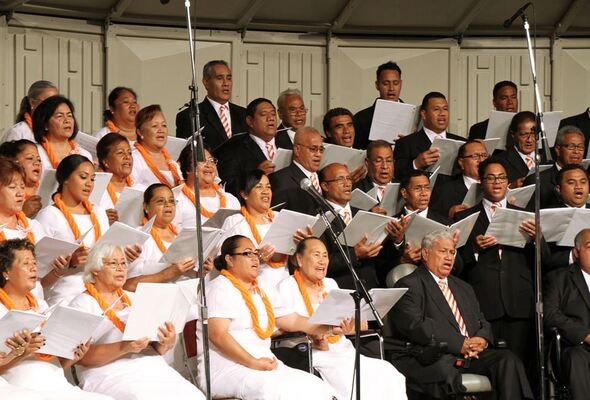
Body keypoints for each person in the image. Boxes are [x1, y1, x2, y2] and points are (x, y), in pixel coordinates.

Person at [390, 230, 533, 399]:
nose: (449, 257)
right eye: (443, 251)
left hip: (472, 355)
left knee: (507, 359)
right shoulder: (409, 285)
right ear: (425, 253)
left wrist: (482, 339)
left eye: (452, 252)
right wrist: (461, 344)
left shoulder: (463, 287)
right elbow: (417, 326)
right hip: (438, 355)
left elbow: (482, 320)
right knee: (443, 373)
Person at [200, 234, 337, 399]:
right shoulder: (218, 288)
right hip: (228, 367)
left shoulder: (258, 292)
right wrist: (253, 362)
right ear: (229, 259)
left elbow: (273, 326)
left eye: (256, 253)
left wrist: (325, 329)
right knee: (278, 392)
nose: (255, 259)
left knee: (317, 388)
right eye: (247, 253)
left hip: (265, 362)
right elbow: (217, 335)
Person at [274, 237, 408, 400]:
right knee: (349, 379)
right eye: (316, 255)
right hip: (313, 352)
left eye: (325, 256)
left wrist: (347, 327)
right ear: (299, 259)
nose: (322, 261)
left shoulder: (330, 284)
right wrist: (319, 332)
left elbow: (358, 324)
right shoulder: (287, 286)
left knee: (387, 371)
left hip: (343, 350)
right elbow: (284, 322)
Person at [69, 242, 205, 400]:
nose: (121, 268)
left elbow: (155, 347)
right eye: (113, 263)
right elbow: (81, 358)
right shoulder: (83, 303)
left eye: (123, 263)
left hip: (149, 365)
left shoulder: (134, 298)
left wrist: (166, 341)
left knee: (194, 395)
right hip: (107, 372)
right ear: (95, 270)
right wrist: (124, 347)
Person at [454, 158, 541, 368]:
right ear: (481, 182)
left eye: (502, 178)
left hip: (519, 300)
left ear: (508, 182)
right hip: (484, 301)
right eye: (491, 178)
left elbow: (542, 260)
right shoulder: (466, 216)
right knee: (491, 365)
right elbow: (454, 265)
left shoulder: (525, 214)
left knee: (523, 364)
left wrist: (536, 239)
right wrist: (474, 250)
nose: (497, 182)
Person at [0, 239, 112, 400]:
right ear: (6, 272)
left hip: (58, 384)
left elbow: (56, 363)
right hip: (23, 387)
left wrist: (73, 357)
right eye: (26, 263)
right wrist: (21, 354)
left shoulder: (42, 305)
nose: (34, 268)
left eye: (34, 262)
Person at [35, 155, 111, 305]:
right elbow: (38, 276)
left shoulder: (99, 212)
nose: (89, 184)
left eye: (92, 179)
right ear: (65, 179)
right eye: (83, 177)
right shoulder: (49, 216)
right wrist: (71, 263)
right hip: (64, 295)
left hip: (99, 292)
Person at [220, 170, 288, 292]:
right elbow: (224, 260)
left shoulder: (280, 218)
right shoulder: (234, 222)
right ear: (244, 194)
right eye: (259, 187)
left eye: (268, 187)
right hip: (254, 290)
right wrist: (257, 258)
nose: (266, 191)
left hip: (284, 288)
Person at [544, 228, 590, 400]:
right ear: (577, 252)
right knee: (576, 358)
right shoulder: (559, 278)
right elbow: (550, 314)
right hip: (576, 346)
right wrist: (585, 335)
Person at [125, 183, 196, 291]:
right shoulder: (138, 236)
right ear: (146, 207)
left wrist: (203, 270)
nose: (168, 205)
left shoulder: (183, 235)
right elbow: (129, 285)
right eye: (160, 201)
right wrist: (170, 273)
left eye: (172, 201)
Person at [216, 97, 292, 196]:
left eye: (273, 114)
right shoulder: (233, 149)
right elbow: (227, 187)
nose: (271, 118)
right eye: (264, 114)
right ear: (250, 121)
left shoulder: (288, 144)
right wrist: (256, 174)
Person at [0, 158, 47, 300]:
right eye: (13, 187)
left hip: (36, 302)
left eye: (22, 186)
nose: (20, 193)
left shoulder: (33, 226)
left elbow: (43, 277)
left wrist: (59, 268)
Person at [393, 91, 465, 182]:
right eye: (436, 109)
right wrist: (416, 164)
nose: (442, 113)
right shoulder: (406, 143)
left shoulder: (462, 142)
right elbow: (397, 176)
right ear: (423, 114)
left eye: (445, 109)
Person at [175, 60, 248, 149]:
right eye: (219, 78)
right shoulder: (190, 116)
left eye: (229, 78)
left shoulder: (243, 113)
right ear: (206, 82)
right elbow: (185, 155)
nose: (226, 83)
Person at [174, 145, 240, 229]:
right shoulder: (177, 200)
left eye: (211, 160)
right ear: (187, 168)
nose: (209, 165)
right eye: (202, 161)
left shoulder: (230, 200)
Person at [523, 125, 585, 209]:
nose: (576, 151)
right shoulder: (537, 181)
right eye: (571, 146)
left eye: (580, 147)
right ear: (558, 149)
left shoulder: (586, 179)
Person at [543, 165, 590, 272]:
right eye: (571, 182)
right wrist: (572, 256)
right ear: (558, 189)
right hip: (562, 281)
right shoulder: (548, 216)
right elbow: (543, 260)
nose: (578, 186)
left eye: (583, 182)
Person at [269, 126, 325, 215]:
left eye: (321, 149)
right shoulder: (280, 179)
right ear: (297, 150)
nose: (318, 154)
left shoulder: (324, 177)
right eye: (313, 149)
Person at [430, 139, 489, 219]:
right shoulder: (445, 191)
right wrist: (448, 214)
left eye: (484, 156)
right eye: (475, 156)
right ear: (461, 162)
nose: (481, 160)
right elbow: (432, 219)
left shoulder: (497, 186)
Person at [96, 132, 145, 225]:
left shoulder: (141, 190)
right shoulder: (95, 188)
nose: (127, 157)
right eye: (120, 153)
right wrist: (102, 219)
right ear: (105, 161)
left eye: (129, 153)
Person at [32, 95, 92, 170]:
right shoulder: (35, 152)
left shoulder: (84, 155)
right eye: (59, 116)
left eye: (69, 115)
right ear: (45, 124)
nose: (67, 120)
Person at [353, 61, 403, 149]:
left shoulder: (414, 116)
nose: (391, 88)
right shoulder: (361, 118)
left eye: (395, 83)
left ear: (401, 84)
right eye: (386, 84)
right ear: (377, 85)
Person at [131, 104, 183, 188]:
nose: (161, 130)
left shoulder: (173, 164)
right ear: (140, 132)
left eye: (164, 125)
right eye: (155, 126)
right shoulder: (133, 159)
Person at [0, 139, 44, 218]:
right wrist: (23, 212)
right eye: (30, 158)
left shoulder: (47, 186)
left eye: (39, 160)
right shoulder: (5, 192)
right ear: (14, 162)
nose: (37, 163)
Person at [322, 107, 367, 182]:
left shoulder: (364, 156)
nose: (346, 131)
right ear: (328, 133)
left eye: (349, 125)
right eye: (339, 127)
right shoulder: (321, 158)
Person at [496, 111, 537, 184]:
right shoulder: (500, 161)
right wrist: (511, 187)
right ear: (513, 134)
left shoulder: (546, 158)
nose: (530, 140)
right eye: (524, 135)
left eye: (533, 134)